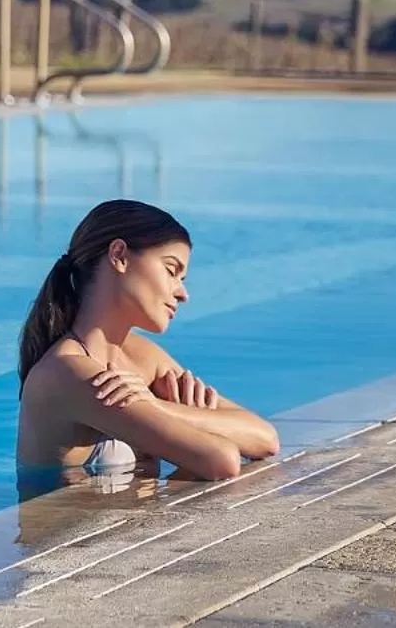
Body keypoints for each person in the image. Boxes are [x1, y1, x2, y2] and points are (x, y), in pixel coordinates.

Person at [15, 200, 278, 491]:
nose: (183, 294)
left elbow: (265, 438)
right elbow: (221, 459)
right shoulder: (67, 373)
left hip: (133, 531)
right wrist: (196, 420)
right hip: (69, 537)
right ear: (119, 256)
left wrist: (158, 406)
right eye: (171, 270)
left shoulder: (141, 356)